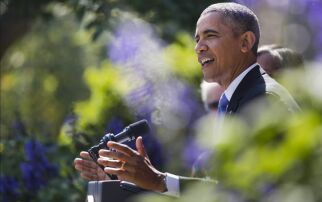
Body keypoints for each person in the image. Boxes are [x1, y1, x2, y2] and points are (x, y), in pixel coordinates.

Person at [74, 2, 299, 196]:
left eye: (210, 35)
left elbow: (244, 193)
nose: (199, 47)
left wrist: (159, 180)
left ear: (245, 42)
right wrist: (125, 183)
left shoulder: (263, 99)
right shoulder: (237, 98)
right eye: (197, 39)